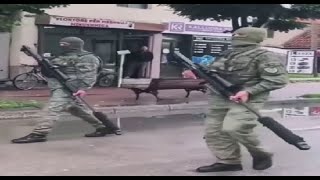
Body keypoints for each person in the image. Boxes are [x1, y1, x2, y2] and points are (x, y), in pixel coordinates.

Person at [194, 27, 289, 172]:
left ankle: (262, 154)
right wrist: (196, 73)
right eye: (235, 35)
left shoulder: (264, 56)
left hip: (248, 98)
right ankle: (229, 161)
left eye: (239, 35)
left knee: (234, 127)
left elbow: (278, 80)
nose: (235, 37)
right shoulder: (227, 53)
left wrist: (249, 91)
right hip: (221, 96)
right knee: (214, 131)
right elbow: (214, 72)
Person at [12, 37, 121, 144]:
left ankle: (39, 133)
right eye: (62, 44)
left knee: (51, 110)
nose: (62, 46)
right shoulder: (62, 56)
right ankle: (103, 127)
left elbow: (89, 75)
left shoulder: (88, 58)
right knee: (76, 109)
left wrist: (83, 89)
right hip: (59, 87)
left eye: (65, 44)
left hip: (70, 88)